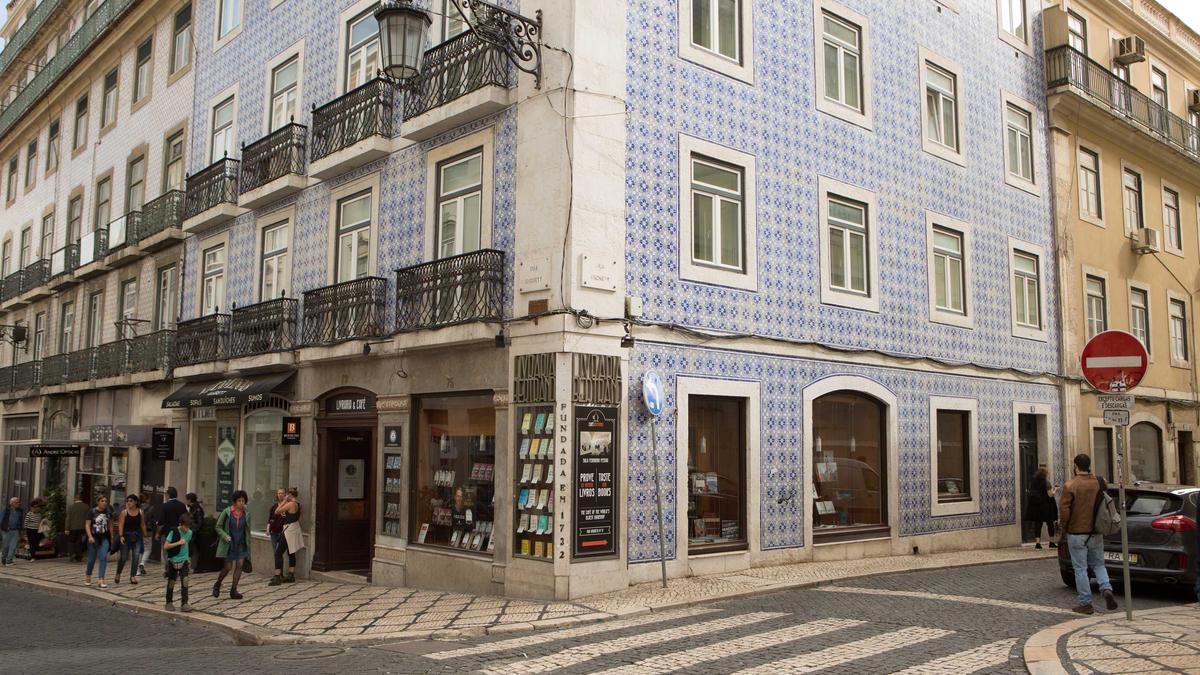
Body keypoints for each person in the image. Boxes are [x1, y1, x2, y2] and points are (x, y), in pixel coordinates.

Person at [1059, 453, 1118, 614]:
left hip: (1077, 532)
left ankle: (1086, 603)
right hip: (1096, 531)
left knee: (1080, 569)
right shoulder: (1100, 482)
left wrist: (1064, 528)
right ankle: (1106, 588)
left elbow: (1064, 511)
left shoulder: (1070, 485)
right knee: (1099, 564)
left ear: (1075, 466)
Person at [213, 490, 251, 600]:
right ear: (234, 502)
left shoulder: (247, 513)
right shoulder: (227, 512)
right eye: (239, 500)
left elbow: (248, 530)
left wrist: (249, 545)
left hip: (241, 543)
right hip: (229, 543)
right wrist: (224, 536)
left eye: (243, 500)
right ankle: (218, 583)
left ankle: (233, 590)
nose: (241, 503)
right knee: (228, 567)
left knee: (239, 565)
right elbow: (218, 526)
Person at [162, 514, 193, 612]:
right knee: (171, 581)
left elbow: (187, 545)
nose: (187, 529)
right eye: (185, 526)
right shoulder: (174, 532)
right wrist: (178, 542)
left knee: (185, 581)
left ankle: (184, 603)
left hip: (184, 560)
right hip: (173, 560)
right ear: (181, 524)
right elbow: (166, 546)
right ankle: (169, 602)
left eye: (188, 527)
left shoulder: (190, 533)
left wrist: (188, 558)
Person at [114, 495, 148, 585]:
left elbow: (142, 524)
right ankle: (118, 573)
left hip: (136, 536)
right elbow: (120, 525)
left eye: (131, 501)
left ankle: (132, 576)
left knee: (136, 556)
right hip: (126, 536)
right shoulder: (124, 512)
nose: (128, 502)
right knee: (124, 557)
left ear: (136, 502)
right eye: (127, 501)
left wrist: (145, 534)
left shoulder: (140, 512)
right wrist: (121, 536)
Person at [84, 496, 115, 588]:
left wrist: (112, 536)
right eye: (102, 501)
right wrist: (89, 536)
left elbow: (110, 524)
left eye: (106, 501)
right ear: (98, 502)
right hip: (94, 537)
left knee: (103, 557)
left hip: (105, 537)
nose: (104, 503)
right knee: (91, 559)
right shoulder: (92, 511)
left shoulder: (108, 512)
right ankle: (88, 575)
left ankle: (101, 579)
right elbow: (87, 524)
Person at [1025, 466, 1058, 550]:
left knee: (1038, 524)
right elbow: (1050, 494)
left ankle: (1038, 543)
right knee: (1050, 523)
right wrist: (1055, 490)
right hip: (1046, 506)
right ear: (1045, 474)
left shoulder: (1034, 482)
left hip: (1036, 506)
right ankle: (1051, 542)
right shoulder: (1046, 482)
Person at [156, 487, 187, 573]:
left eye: (166, 494)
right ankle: (179, 567)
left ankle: (169, 569)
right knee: (179, 551)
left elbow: (161, 522)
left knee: (167, 552)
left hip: (167, 533)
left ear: (168, 495)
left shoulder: (165, 506)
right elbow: (186, 519)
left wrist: (158, 533)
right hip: (180, 533)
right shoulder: (182, 505)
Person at [278, 488, 303, 583]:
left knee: (278, 552)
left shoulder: (291, 504)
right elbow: (300, 517)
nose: (285, 496)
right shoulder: (298, 504)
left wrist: (284, 501)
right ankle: (291, 574)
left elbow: (277, 511)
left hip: (289, 529)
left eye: (286, 495)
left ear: (290, 495)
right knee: (291, 552)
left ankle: (278, 575)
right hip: (295, 528)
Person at [267, 488, 287, 586]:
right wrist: (268, 529)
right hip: (273, 533)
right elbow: (270, 519)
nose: (280, 495)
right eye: (279, 493)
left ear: (285, 494)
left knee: (278, 553)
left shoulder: (287, 506)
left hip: (282, 533)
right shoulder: (274, 506)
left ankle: (279, 574)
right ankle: (278, 574)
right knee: (276, 553)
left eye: (282, 493)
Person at [65, 493, 90, 563]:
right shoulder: (86, 506)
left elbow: (68, 518)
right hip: (82, 527)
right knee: (79, 542)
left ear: (75, 498)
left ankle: (72, 554)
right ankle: (79, 556)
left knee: (71, 541)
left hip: (72, 527)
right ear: (81, 498)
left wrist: (66, 528)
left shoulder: (71, 507)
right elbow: (88, 518)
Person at [0, 497, 24, 566]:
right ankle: (4, 559)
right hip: (6, 530)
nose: (18, 503)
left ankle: (9, 560)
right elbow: (0, 519)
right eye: (16, 502)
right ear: (11, 503)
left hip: (16, 530)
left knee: (13, 546)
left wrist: (21, 530)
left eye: (19, 502)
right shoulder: (5, 509)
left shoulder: (20, 510)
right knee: (6, 546)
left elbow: (20, 521)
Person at [138, 492, 157, 576]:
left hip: (137, 530)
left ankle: (137, 570)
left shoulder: (137, 507)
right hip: (148, 530)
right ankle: (142, 563)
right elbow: (153, 519)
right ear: (147, 499)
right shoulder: (151, 508)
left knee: (138, 549)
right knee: (148, 548)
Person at [185, 493, 205, 569]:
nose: (186, 501)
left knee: (194, 550)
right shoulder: (192, 508)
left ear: (189, 500)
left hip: (195, 533)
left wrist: (193, 531)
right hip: (191, 531)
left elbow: (199, 522)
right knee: (191, 549)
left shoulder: (197, 509)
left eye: (187, 499)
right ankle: (192, 566)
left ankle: (194, 566)